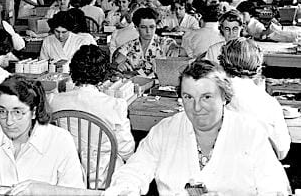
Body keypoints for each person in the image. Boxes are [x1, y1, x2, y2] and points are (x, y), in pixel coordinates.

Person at [106, 60, 291, 196]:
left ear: (225, 97)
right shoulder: (165, 130)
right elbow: (134, 170)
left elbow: (275, 187)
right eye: (188, 97)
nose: (196, 108)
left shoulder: (250, 133)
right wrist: (124, 189)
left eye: (206, 97)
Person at [0, 75, 86, 192]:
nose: (9, 121)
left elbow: (75, 191)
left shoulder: (60, 140)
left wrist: (45, 191)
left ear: (34, 112)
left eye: (17, 112)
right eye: (2, 112)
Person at [49, 45, 135, 189]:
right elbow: (127, 151)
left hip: (68, 177)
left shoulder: (54, 101)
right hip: (104, 177)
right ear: (103, 75)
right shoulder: (114, 105)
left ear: (72, 71)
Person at [219, 37, 291, 160]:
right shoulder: (270, 104)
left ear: (222, 63)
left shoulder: (213, 96)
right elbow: (282, 150)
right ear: (258, 66)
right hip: (256, 173)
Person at [112, 8, 180, 77]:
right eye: (143, 27)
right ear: (137, 28)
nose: (148, 31)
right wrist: (118, 66)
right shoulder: (129, 46)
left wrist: (176, 49)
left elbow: (176, 48)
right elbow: (114, 64)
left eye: (152, 27)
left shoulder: (163, 42)